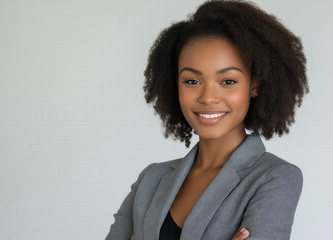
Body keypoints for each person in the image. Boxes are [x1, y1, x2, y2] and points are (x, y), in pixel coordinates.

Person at [106, 0, 309, 239]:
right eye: (192, 81)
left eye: (228, 81)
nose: (208, 98)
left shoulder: (276, 177)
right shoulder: (151, 178)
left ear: (254, 85)